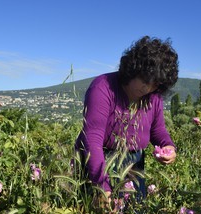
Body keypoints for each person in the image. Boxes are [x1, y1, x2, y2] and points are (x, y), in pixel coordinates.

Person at [75, 35, 178, 203]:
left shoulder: (154, 97)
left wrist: (168, 146)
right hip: (96, 160)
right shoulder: (102, 87)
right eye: (145, 80)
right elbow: (92, 139)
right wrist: (102, 186)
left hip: (133, 164)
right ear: (133, 69)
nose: (148, 87)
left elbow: (157, 130)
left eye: (156, 84)